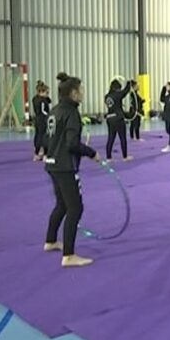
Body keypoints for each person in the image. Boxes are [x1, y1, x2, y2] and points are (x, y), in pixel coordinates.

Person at [43, 73, 100, 268]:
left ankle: (50, 240)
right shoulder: (71, 113)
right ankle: (69, 255)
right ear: (73, 93)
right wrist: (91, 152)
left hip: (52, 163)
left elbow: (46, 138)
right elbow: (72, 144)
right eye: (80, 90)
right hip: (65, 166)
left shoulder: (54, 111)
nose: (82, 93)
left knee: (62, 205)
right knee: (75, 207)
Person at [104, 79, 132, 161]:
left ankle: (108, 157)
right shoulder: (117, 95)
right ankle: (125, 157)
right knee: (122, 138)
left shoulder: (107, 96)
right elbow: (125, 91)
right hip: (118, 119)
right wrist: (129, 83)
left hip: (110, 119)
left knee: (110, 138)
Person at [32, 81, 51, 161]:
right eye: (47, 92)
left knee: (38, 135)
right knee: (44, 136)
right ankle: (45, 154)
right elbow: (43, 111)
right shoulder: (42, 100)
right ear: (41, 92)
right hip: (43, 119)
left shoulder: (35, 99)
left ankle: (37, 153)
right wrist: (49, 115)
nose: (48, 94)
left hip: (37, 120)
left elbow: (49, 100)